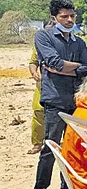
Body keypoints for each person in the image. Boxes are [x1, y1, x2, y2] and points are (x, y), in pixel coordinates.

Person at [32, 0, 87, 189]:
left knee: (73, 146)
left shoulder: (79, 42)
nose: (69, 20)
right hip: (54, 100)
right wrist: (69, 67)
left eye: (72, 16)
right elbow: (54, 62)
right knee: (51, 146)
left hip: (76, 99)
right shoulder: (43, 36)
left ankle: (67, 185)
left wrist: (64, 68)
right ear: (54, 18)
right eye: (64, 16)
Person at [26, 19, 55, 155]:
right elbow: (33, 62)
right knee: (38, 113)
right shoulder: (38, 44)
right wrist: (34, 72)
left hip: (59, 86)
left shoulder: (63, 43)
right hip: (42, 85)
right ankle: (37, 144)